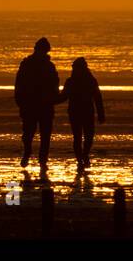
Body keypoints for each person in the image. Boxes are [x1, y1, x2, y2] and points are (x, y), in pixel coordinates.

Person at [13, 37, 60, 170]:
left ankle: (42, 160)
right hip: (31, 104)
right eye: (43, 50)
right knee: (29, 134)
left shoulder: (48, 66)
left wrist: (54, 98)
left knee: (44, 134)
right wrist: (20, 101)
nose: (44, 53)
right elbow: (19, 83)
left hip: (43, 105)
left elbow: (54, 84)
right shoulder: (27, 64)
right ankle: (28, 154)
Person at [56, 57, 105, 171]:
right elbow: (97, 97)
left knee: (83, 136)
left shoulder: (81, 80)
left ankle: (83, 156)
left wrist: (101, 113)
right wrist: (101, 113)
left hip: (79, 112)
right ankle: (82, 158)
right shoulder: (87, 80)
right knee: (83, 136)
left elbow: (97, 97)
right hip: (82, 111)